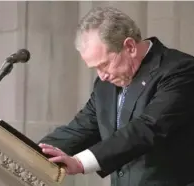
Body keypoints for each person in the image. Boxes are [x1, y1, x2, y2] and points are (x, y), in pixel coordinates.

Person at [38, 6, 194, 186]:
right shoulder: (105, 84)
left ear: (129, 46)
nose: (101, 75)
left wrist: (80, 163)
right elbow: (82, 128)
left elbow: (147, 128)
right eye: (95, 68)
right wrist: (31, 151)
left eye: (104, 65)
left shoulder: (180, 70)